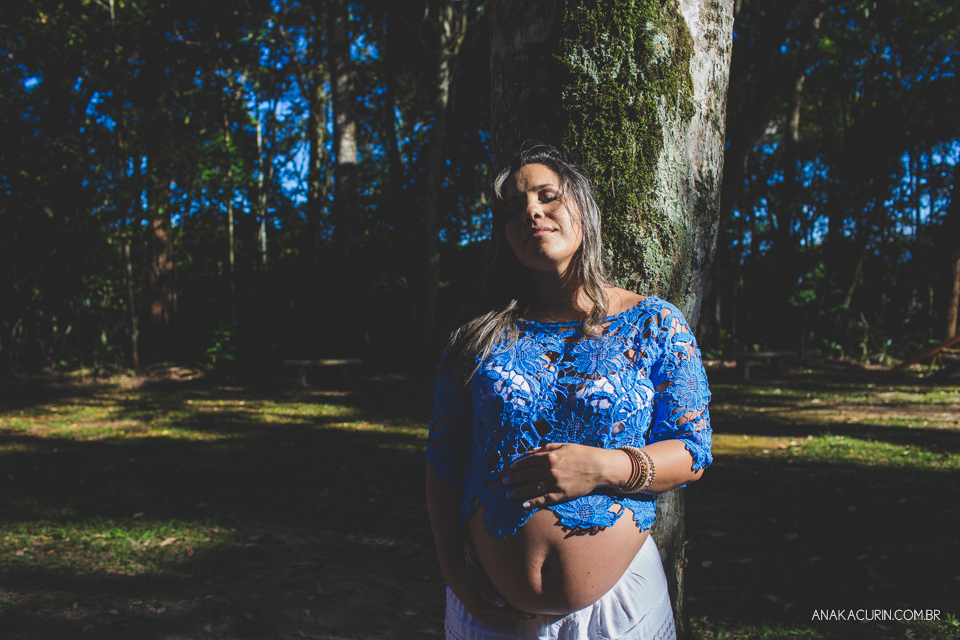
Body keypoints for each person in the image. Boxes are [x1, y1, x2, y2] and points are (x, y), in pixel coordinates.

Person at [426, 144, 712, 640]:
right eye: (514, 208)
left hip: (620, 612)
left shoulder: (655, 324)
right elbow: (443, 456)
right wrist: (451, 568)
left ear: (583, 208)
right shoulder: (477, 336)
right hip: (492, 613)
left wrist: (601, 467)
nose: (531, 211)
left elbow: (693, 451)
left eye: (547, 196)